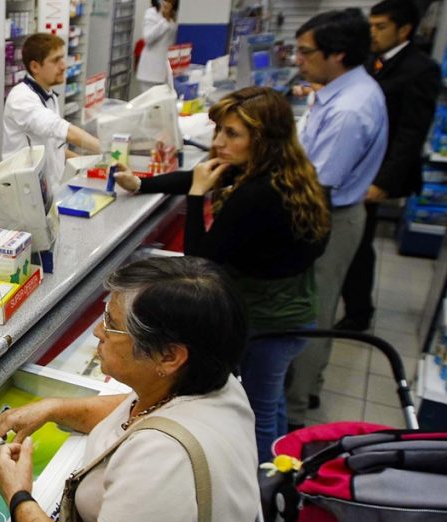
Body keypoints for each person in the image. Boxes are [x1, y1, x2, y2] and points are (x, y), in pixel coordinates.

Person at [0, 256, 258, 522]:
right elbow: (141, 414)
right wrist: (54, 407)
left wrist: (19, 498)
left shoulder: (161, 464)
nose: (99, 332)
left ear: (169, 356)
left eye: (112, 324)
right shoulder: (213, 383)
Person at [113, 86, 330, 461]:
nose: (218, 143)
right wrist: (142, 183)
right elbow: (201, 173)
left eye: (232, 134)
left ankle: (266, 486)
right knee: (271, 397)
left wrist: (197, 197)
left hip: (269, 323)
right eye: (219, 131)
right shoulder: (288, 171)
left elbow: (201, 263)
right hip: (294, 312)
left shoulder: (256, 194)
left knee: (259, 409)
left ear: (261, 140)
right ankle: (283, 462)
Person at [287, 9, 388, 427]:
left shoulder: (349, 109)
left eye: (306, 52)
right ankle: (306, 390)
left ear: (338, 55)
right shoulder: (339, 92)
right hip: (332, 210)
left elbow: (319, 184)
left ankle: (294, 408)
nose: (298, 59)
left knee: (312, 311)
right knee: (318, 307)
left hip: (327, 216)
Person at [337, 0, 440, 332]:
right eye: (371, 26)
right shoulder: (371, 61)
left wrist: (383, 181)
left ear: (404, 30)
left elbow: (411, 134)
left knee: (359, 244)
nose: (373, 33)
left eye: (381, 27)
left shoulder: (421, 69)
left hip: (377, 175)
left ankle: (358, 313)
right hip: (357, 167)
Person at [2, 33, 101, 196]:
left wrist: (89, 164)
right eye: (56, 61)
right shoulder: (21, 98)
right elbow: (62, 130)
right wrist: (107, 149)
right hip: (26, 194)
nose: (63, 66)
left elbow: (55, 148)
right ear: (35, 67)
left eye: (62, 58)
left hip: (50, 191)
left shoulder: (49, 96)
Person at [135, 0, 178, 95]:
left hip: (166, 71)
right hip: (150, 72)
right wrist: (165, 20)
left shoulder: (174, 14)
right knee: (149, 106)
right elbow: (148, 38)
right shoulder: (152, 12)